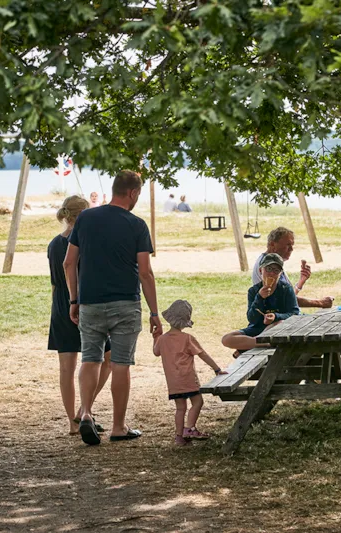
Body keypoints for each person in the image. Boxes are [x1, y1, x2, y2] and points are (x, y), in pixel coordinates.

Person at [64, 169, 162, 446]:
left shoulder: (85, 218)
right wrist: (155, 313)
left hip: (90, 303)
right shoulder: (137, 225)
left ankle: (85, 413)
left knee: (90, 359)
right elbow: (145, 273)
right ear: (132, 193)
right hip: (125, 304)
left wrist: (74, 300)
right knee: (120, 364)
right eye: (138, 195)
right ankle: (119, 426)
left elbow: (69, 263)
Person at [48, 195, 112, 436]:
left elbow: (55, 282)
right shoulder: (87, 242)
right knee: (105, 357)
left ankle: (74, 421)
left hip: (59, 306)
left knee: (67, 367)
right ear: (84, 215)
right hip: (86, 305)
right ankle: (84, 409)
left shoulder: (54, 244)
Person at [153, 300, 227, 446]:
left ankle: (179, 437)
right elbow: (203, 354)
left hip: (173, 381)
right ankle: (190, 428)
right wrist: (217, 369)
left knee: (180, 408)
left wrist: (156, 336)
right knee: (198, 402)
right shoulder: (187, 338)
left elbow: (156, 352)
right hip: (187, 378)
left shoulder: (162, 339)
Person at [223, 253, 300, 353]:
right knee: (226, 339)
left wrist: (275, 316)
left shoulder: (286, 289)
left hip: (277, 328)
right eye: (268, 269)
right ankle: (262, 343)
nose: (271, 273)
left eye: (276, 270)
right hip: (257, 328)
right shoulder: (253, 291)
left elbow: (294, 313)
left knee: (280, 323)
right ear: (260, 270)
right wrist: (259, 297)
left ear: (280, 274)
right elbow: (252, 319)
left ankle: (248, 345)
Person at [251, 227, 334, 308]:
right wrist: (320, 303)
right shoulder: (268, 267)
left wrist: (301, 282)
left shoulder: (272, 262)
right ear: (273, 244)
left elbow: (287, 296)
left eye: (292, 245)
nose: (291, 249)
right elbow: (284, 300)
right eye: (288, 245)